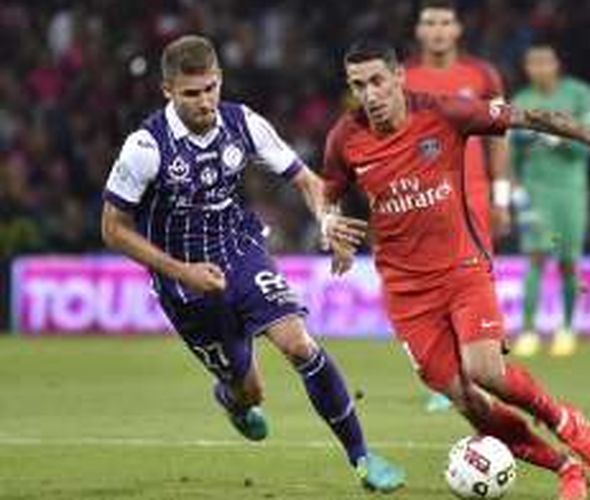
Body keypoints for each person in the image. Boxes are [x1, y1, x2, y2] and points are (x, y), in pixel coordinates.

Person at [323, 39, 590, 500]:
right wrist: (329, 223)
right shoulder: (345, 138)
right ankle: (567, 468)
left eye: (377, 81)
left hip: (461, 268)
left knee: (487, 371)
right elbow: (330, 192)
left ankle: (563, 419)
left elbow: (531, 118)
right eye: (358, 85)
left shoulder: (446, 112)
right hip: (405, 291)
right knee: (468, 402)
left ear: (400, 76)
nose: (370, 94)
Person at [100, 35, 404, 492]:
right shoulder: (146, 147)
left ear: (220, 80)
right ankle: (233, 399)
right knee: (250, 391)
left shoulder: (242, 122)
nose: (205, 101)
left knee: (299, 345)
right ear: (167, 91)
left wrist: (327, 221)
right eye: (191, 93)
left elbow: (305, 179)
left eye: (211, 88)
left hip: (240, 250)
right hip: (185, 284)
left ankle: (362, 457)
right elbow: (113, 228)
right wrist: (182, 272)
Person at [405, 0, 510, 413]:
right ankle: (448, 376)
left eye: (444, 22)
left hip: (473, 197)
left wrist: (503, 197)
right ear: (418, 30)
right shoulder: (403, 78)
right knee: (432, 282)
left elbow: (500, 137)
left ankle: (485, 364)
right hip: (423, 198)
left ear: (458, 29)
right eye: (429, 22)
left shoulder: (482, 75)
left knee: (478, 277)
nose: (437, 30)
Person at [509, 41, 590, 358]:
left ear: (556, 64)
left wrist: (557, 135)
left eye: (545, 61)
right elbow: (511, 153)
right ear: (527, 68)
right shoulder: (521, 100)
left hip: (570, 191)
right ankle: (529, 330)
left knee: (567, 261)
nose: (539, 68)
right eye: (533, 63)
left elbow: (586, 146)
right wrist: (514, 189)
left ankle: (566, 328)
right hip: (535, 193)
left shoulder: (579, 95)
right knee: (535, 257)